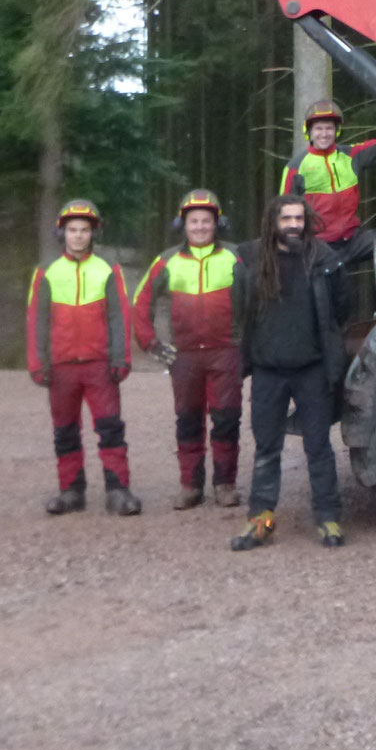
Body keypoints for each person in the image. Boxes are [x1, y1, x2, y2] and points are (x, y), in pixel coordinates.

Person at [229, 194, 350, 550]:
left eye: (299, 218)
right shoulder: (252, 260)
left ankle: (328, 518)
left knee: (319, 447)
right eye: (287, 219)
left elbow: (342, 306)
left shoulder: (324, 259)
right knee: (267, 447)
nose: (294, 225)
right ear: (273, 222)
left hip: (312, 369)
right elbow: (239, 311)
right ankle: (260, 518)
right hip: (268, 370)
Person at [26, 199, 140, 516]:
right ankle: (71, 492)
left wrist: (121, 357)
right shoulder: (46, 272)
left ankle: (118, 490)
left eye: (84, 230)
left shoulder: (108, 270)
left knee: (111, 428)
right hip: (61, 368)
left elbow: (120, 317)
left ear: (93, 234)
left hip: (99, 365)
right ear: (62, 233)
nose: (78, 236)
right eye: (72, 230)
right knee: (64, 431)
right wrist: (37, 362)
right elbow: (36, 320)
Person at [131, 189, 242, 510]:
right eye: (193, 221)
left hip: (226, 351)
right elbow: (141, 304)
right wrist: (150, 343)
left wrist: (249, 341)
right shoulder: (166, 261)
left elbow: (256, 299)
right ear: (183, 224)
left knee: (226, 419)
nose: (200, 227)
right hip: (185, 355)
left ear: (217, 223)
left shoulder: (236, 256)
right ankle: (190, 486)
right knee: (188, 418)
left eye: (206, 221)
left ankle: (225, 484)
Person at [279, 97, 376, 260]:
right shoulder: (295, 167)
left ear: (337, 131)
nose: (324, 134)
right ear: (309, 132)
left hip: (352, 240)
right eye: (319, 129)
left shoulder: (351, 155)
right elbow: (282, 212)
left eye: (329, 128)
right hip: (317, 246)